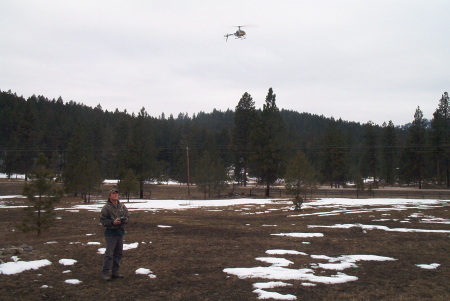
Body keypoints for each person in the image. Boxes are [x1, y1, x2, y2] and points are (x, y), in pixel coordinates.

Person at [100, 188, 129, 281]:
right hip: (111, 233)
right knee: (109, 254)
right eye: (113, 193)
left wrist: (126, 220)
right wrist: (112, 222)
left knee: (118, 253)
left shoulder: (122, 206)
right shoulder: (106, 207)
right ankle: (105, 273)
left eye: (116, 193)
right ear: (109, 196)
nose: (116, 194)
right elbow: (103, 220)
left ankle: (115, 272)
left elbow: (127, 216)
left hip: (120, 232)